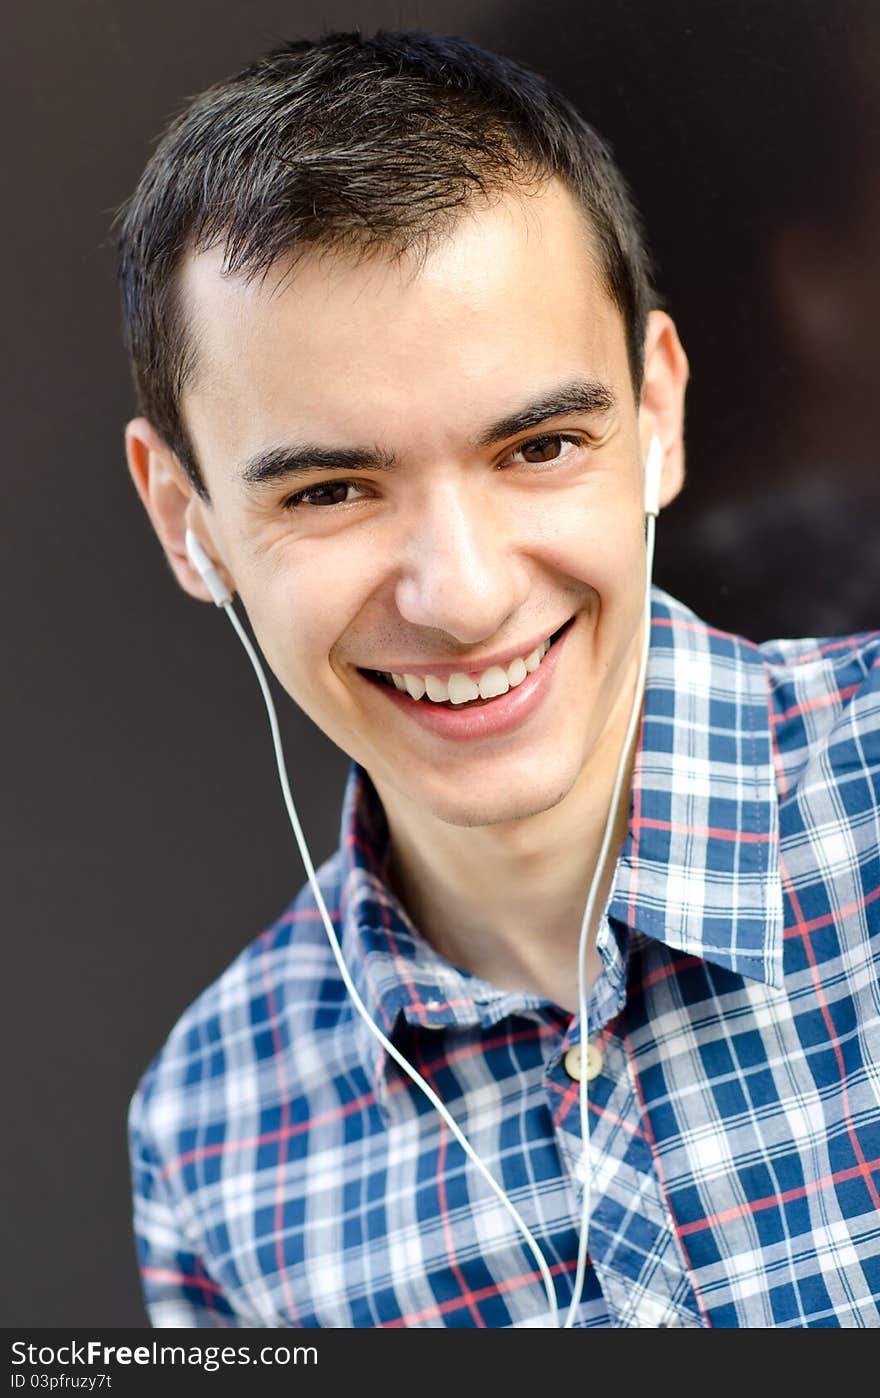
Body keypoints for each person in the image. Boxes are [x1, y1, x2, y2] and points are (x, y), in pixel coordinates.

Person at [119, 30, 880, 1329]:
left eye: (537, 445)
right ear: (185, 519)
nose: (464, 595)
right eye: (332, 488)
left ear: (659, 417)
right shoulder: (209, 1140)